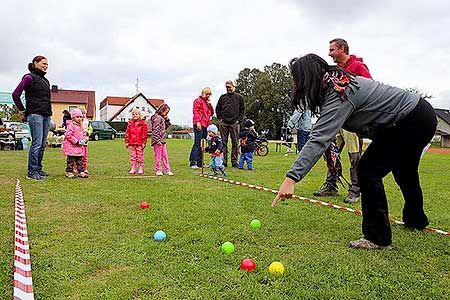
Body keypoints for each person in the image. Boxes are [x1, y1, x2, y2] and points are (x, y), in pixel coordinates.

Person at [272, 54, 437, 250]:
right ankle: (416, 219)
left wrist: (291, 178)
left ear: (308, 78)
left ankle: (378, 238)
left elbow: (319, 139)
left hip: (411, 119)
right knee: (405, 172)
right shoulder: (338, 83)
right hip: (419, 115)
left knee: (368, 170)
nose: (296, 85)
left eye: (297, 80)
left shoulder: (339, 92)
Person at [313, 38, 373, 204]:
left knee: (354, 157)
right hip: (336, 121)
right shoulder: (336, 71)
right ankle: (331, 186)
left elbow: (370, 91)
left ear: (342, 49)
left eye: (332, 50)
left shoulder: (358, 67)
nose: (329, 53)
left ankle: (355, 190)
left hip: (352, 121)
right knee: (331, 154)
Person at [12, 55, 52, 180]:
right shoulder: (29, 77)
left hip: (46, 115)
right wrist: (23, 110)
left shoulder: (45, 81)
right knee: (37, 143)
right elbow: (16, 94)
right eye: (43, 63)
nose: (46, 66)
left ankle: (38, 169)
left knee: (42, 144)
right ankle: (32, 171)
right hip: (35, 115)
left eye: (47, 64)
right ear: (35, 63)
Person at [216, 80, 245, 168]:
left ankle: (234, 161)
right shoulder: (222, 97)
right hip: (224, 123)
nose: (228, 88)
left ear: (233, 86)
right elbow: (218, 108)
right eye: (226, 87)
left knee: (235, 143)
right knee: (223, 143)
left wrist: (239, 121)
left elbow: (242, 110)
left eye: (229, 87)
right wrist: (220, 118)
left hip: (234, 123)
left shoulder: (239, 97)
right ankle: (224, 161)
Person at [189, 87, 214, 169]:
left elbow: (212, 113)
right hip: (199, 124)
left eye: (209, 95)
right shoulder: (198, 101)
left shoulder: (207, 103)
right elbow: (195, 112)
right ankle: (193, 162)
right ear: (203, 93)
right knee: (197, 143)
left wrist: (210, 105)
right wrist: (198, 122)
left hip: (206, 125)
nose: (208, 96)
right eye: (207, 94)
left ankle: (200, 162)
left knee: (202, 144)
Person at [62, 108, 89, 178]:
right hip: (71, 146)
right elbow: (68, 135)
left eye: (80, 117)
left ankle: (81, 171)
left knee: (80, 160)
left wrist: (85, 139)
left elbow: (83, 134)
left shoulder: (81, 126)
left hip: (79, 146)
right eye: (77, 117)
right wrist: (76, 141)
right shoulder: (71, 125)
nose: (79, 118)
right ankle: (69, 171)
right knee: (71, 160)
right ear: (73, 118)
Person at [151, 103, 173, 176]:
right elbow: (155, 130)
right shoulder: (157, 118)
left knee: (165, 156)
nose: (167, 113)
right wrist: (157, 140)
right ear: (162, 110)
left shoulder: (162, 118)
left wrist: (167, 120)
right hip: (158, 141)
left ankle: (167, 170)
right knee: (158, 156)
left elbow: (164, 128)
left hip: (163, 140)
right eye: (166, 112)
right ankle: (158, 170)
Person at [125, 108, 148, 174]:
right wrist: (127, 142)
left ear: (140, 115)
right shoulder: (130, 123)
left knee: (140, 156)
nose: (134, 115)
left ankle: (140, 168)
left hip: (139, 143)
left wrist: (144, 142)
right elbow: (128, 133)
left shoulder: (143, 124)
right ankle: (133, 168)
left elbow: (144, 134)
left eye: (136, 114)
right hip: (132, 142)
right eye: (133, 114)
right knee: (133, 156)